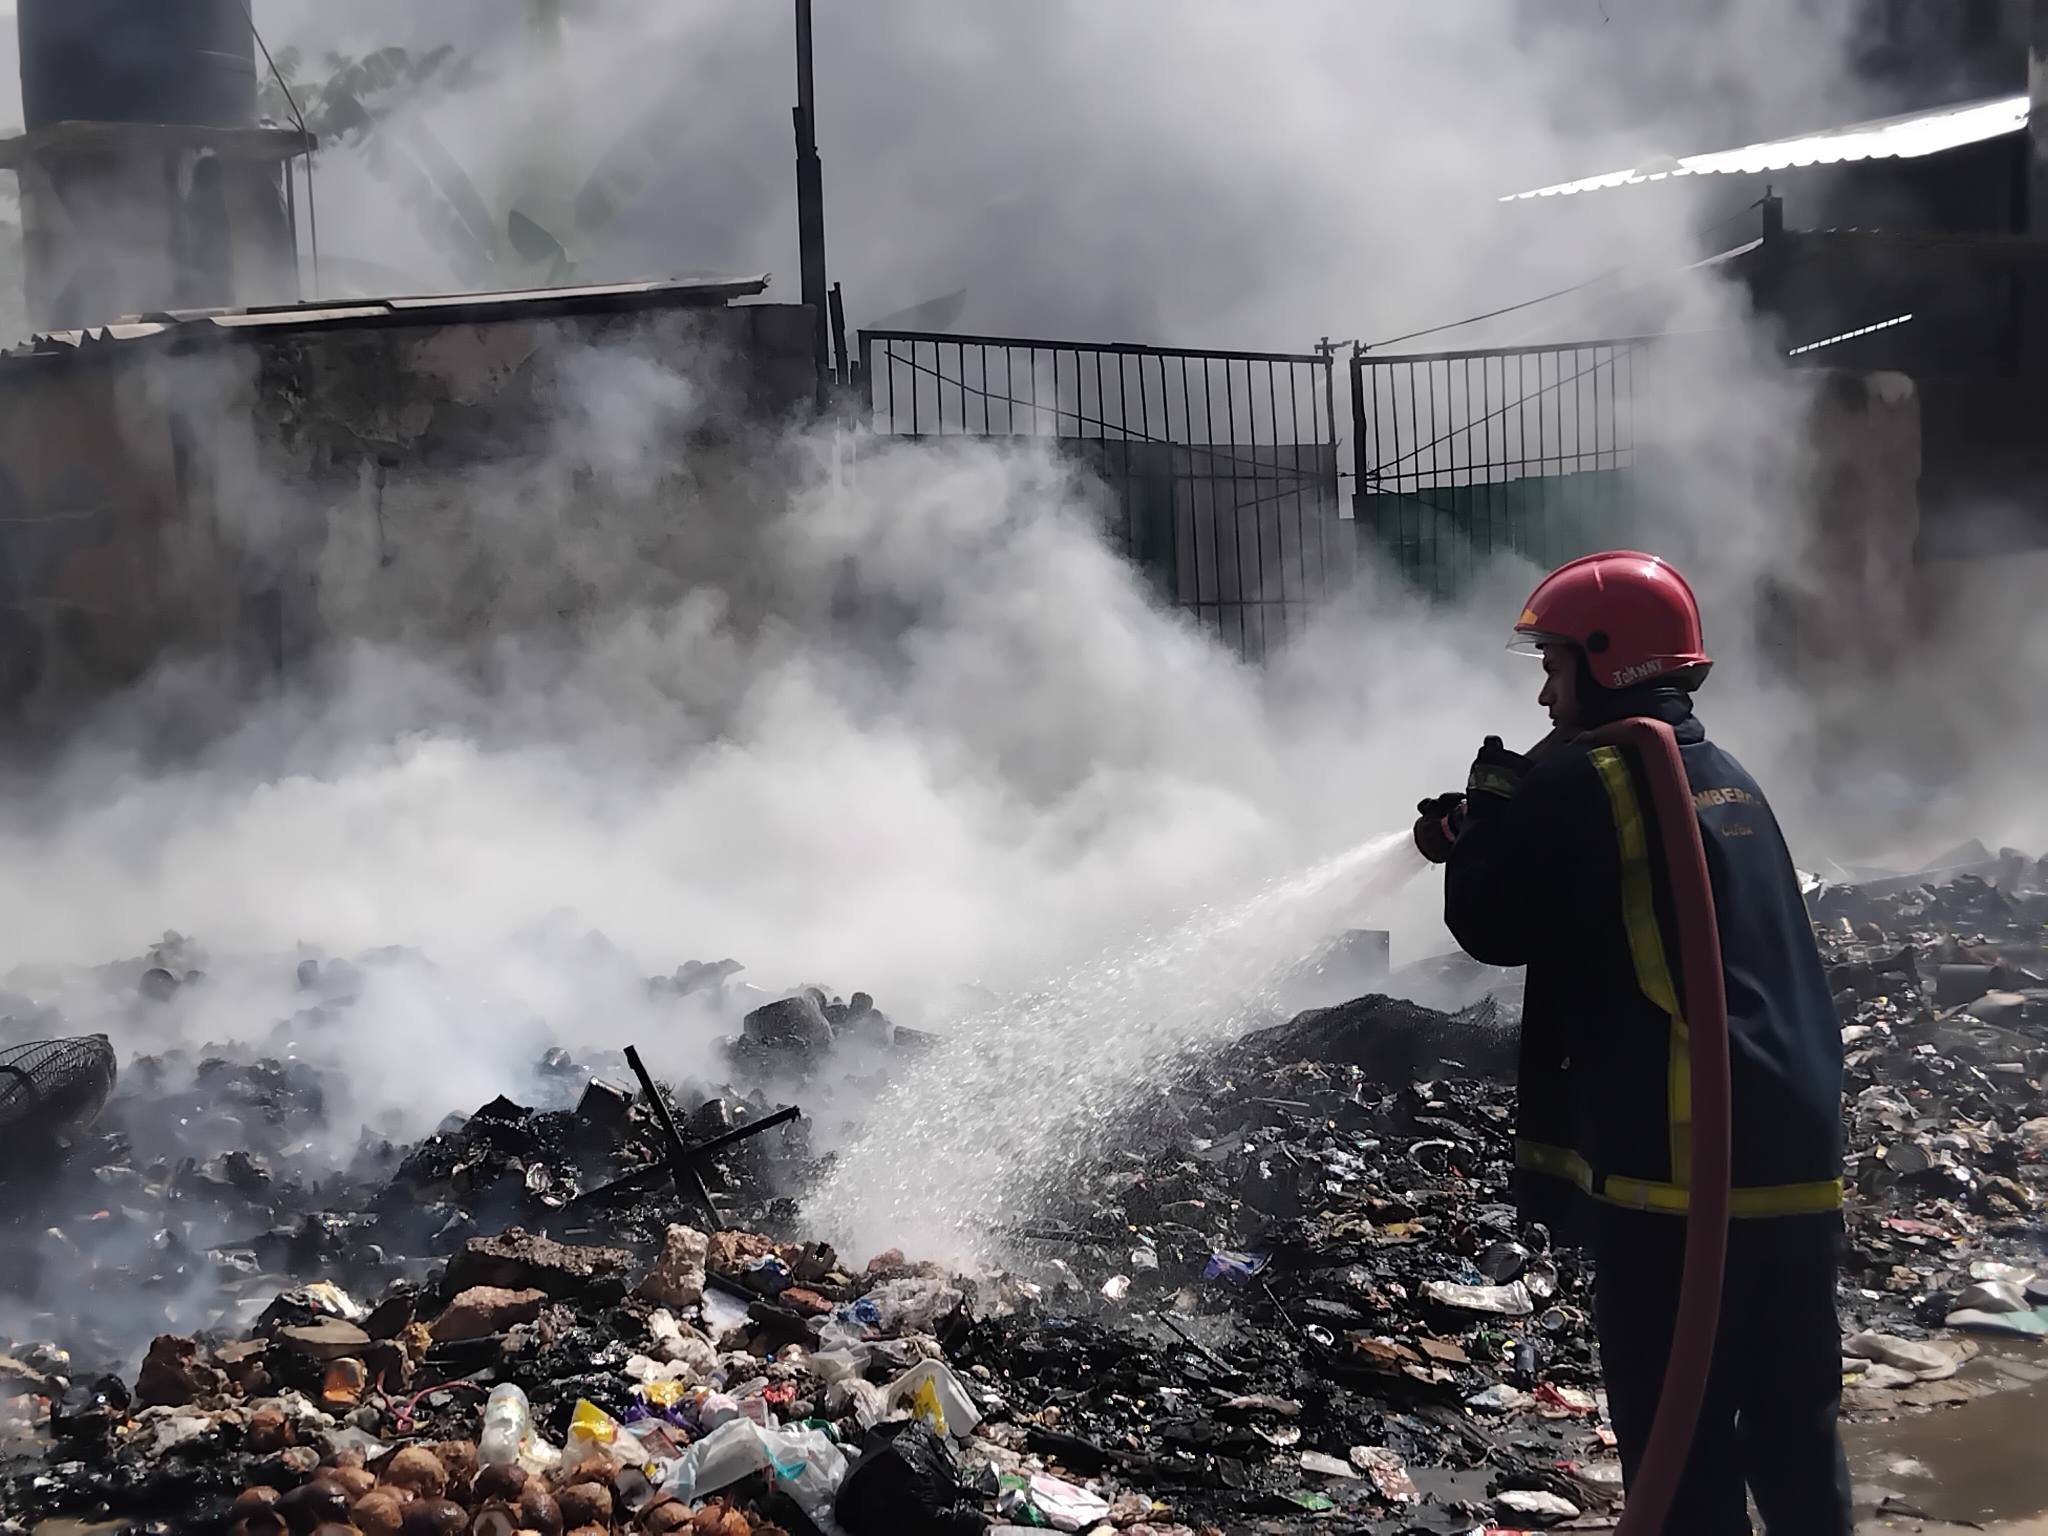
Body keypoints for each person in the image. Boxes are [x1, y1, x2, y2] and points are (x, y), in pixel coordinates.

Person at [1413, 551, 1850, 1535]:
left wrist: (1489, 812)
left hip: (1683, 1168)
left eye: (1553, 665)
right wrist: (1496, 820)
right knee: (1793, 1430)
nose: (1543, 693)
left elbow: (1490, 922)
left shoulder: (1593, 776)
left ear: (1605, 659)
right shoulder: (1720, 775)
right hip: (1791, 1159)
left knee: (1678, 1445)